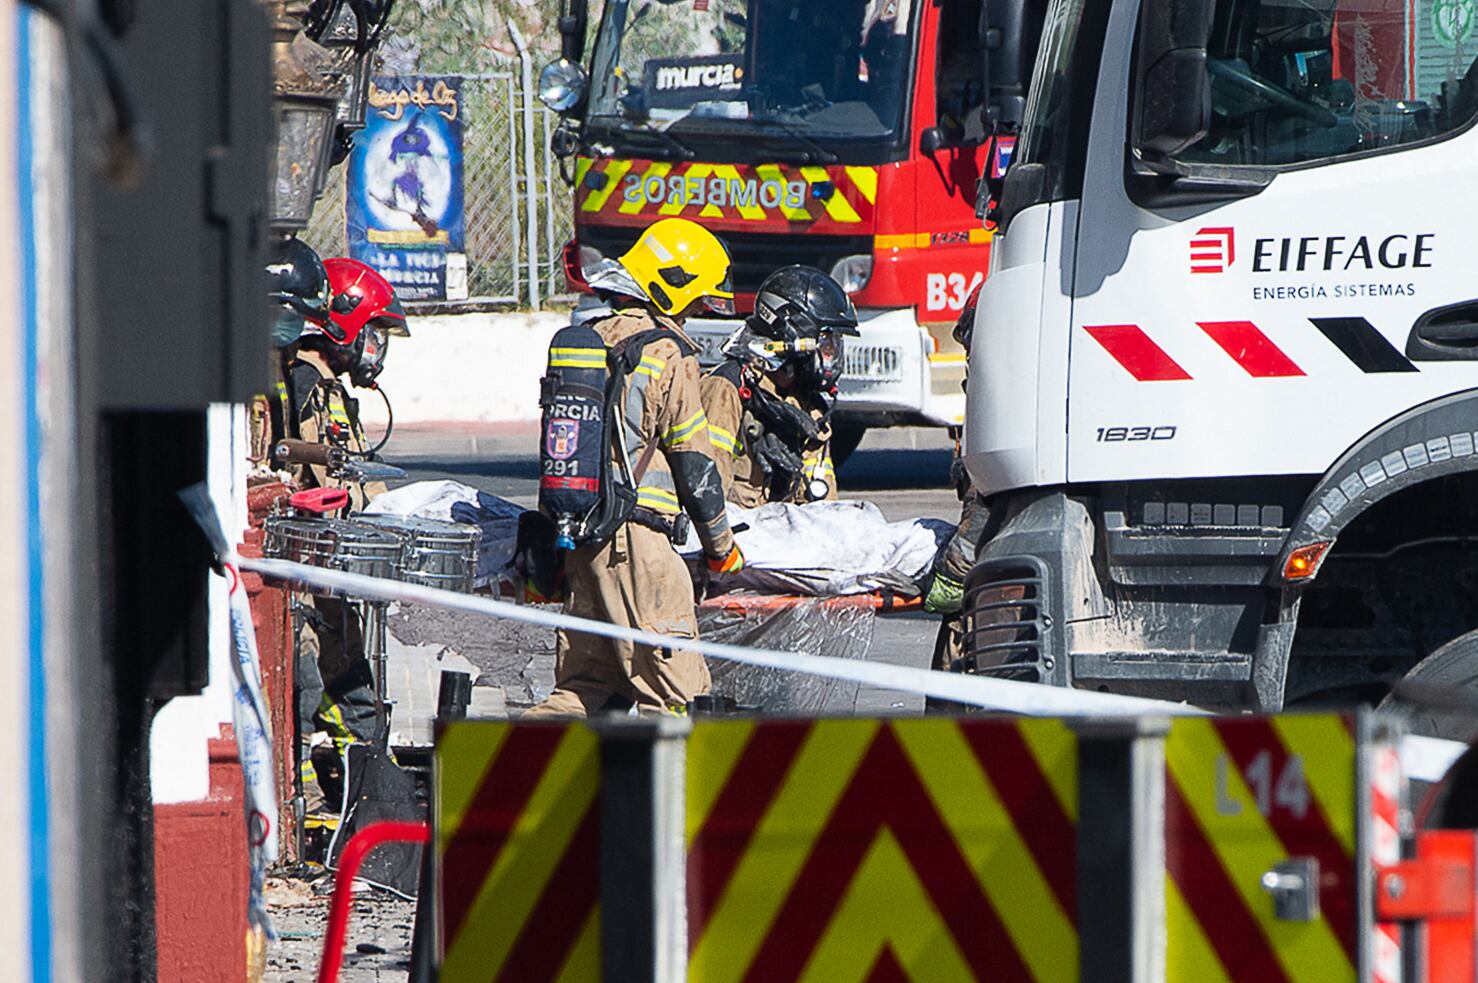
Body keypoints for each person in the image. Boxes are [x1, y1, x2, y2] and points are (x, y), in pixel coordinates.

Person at [526, 217, 744, 718]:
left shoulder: (588, 340)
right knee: (679, 699)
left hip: (580, 543)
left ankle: (500, 780)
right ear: (673, 288)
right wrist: (722, 550)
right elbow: (696, 465)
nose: (693, 315)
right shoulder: (665, 352)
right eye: (694, 302)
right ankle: (669, 797)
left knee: (584, 690)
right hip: (638, 549)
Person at [287, 257, 406, 814]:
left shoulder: (331, 387)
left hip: (327, 573)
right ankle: (297, 811)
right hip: (301, 578)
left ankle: (368, 805)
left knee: (357, 696)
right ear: (344, 322)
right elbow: (320, 477)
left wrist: (397, 516)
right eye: (376, 334)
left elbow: (353, 476)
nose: (379, 351)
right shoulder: (303, 381)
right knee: (303, 691)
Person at [701, 265, 859, 506]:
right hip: (739, 536)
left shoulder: (811, 408)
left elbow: (824, 507)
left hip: (781, 537)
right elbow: (707, 493)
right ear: (793, 333)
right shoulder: (728, 388)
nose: (832, 356)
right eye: (827, 343)